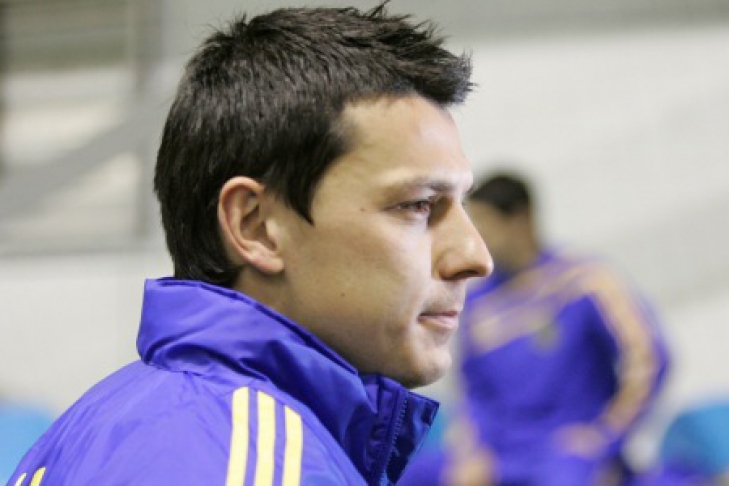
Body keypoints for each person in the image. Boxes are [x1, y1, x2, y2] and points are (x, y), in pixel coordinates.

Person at [10, 4, 491, 485]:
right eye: (418, 205)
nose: (475, 257)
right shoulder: (256, 464)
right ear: (256, 226)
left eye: (462, 205)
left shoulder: (104, 421)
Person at [400, 172, 671, 486]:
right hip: (502, 454)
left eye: (485, 224)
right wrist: (473, 451)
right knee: (412, 476)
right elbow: (474, 390)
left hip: (565, 454)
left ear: (521, 220)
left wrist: (605, 437)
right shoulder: (477, 304)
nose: (475, 238)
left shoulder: (585, 281)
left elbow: (650, 359)